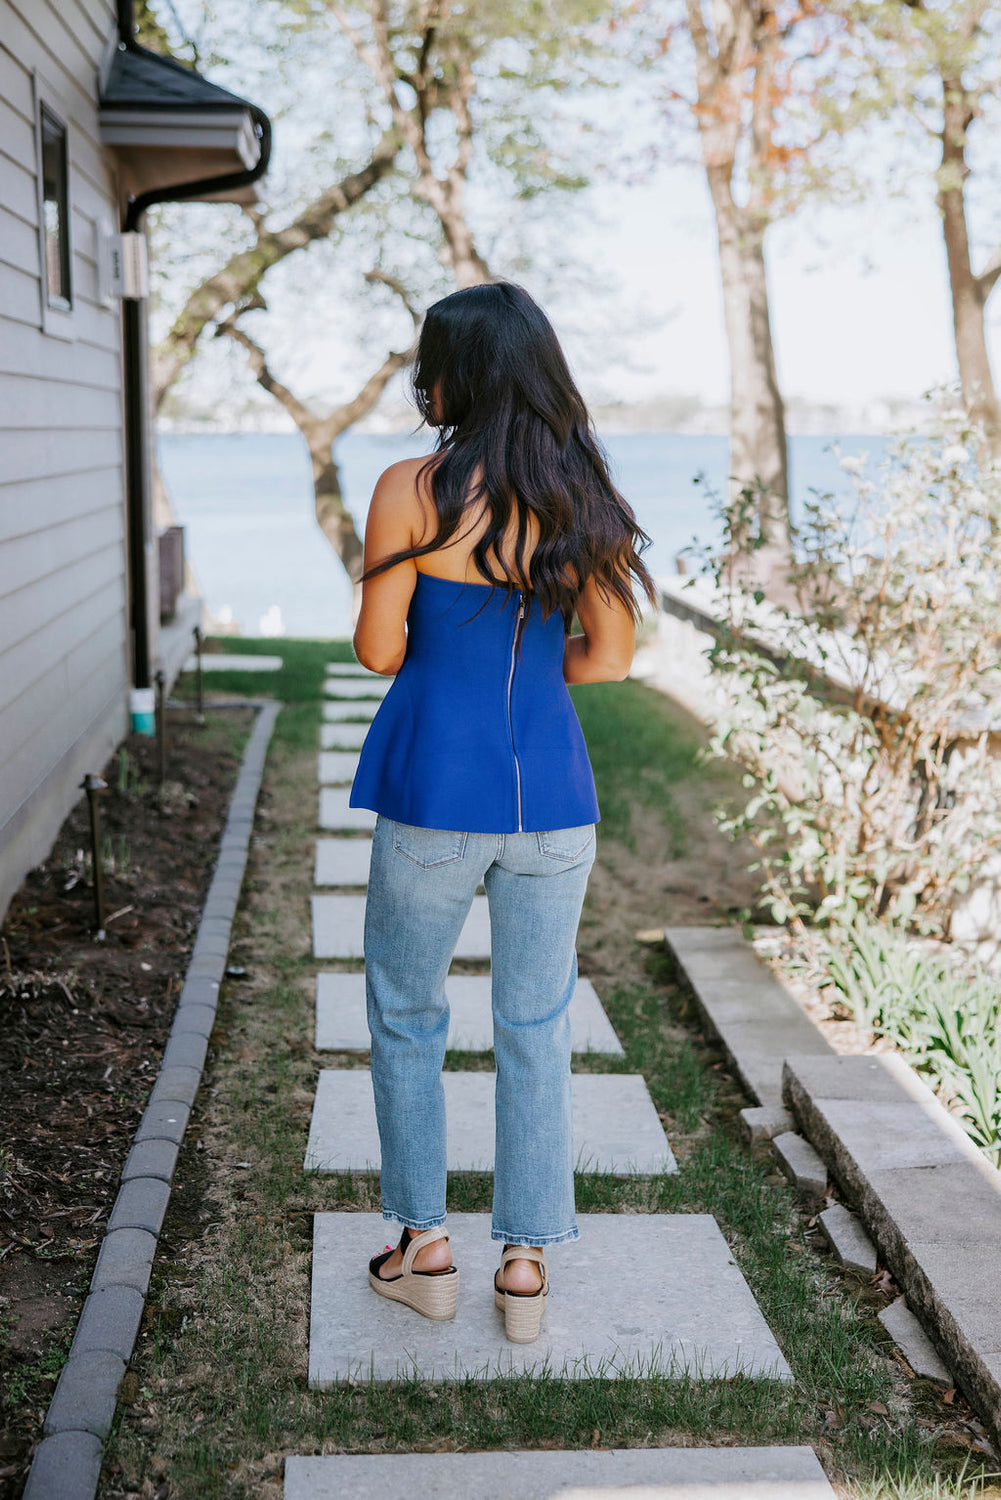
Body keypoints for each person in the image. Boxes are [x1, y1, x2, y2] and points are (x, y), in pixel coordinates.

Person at [348, 281, 657, 1343]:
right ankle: (523, 1267)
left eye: (427, 363)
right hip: (554, 807)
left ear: (460, 375)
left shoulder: (410, 489)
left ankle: (423, 1248)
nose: (419, 381)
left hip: (435, 790)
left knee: (406, 1014)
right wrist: (523, 669)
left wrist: (455, 655)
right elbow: (608, 660)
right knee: (533, 1026)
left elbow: (379, 650)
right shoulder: (584, 497)